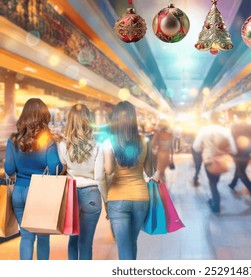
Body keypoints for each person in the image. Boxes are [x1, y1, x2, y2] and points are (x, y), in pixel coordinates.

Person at [4, 98, 63, 260]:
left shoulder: (13, 139)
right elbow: (54, 168)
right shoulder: (47, 140)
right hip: (39, 194)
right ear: (44, 116)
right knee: (43, 238)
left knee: (26, 237)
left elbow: (9, 169)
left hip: (19, 194)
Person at [102, 101, 155, 260]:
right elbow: (149, 171)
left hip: (118, 199)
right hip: (141, 198)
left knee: (124, 247)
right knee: (132, 243)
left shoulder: (109, 142)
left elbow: (109, 170)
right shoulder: (144, 141)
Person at [57, 104, 104, 260]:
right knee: (86, 243)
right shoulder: (97, 145)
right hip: (92, 194)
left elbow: (62, 167)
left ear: (69, 120)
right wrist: (107, 201)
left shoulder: (62, 145)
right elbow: (98, 176)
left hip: (71, 194)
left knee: (73, 240)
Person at [192, 113, 237, 213]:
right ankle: (214, 200)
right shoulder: (225, 131)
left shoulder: (204, 130)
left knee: (212, 182)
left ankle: (216, 204)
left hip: (209, 159)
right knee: (215, 181)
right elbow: (233, 150)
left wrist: (204, 148)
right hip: (221, 161)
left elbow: (196, 146)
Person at [228, 121, 251, 202]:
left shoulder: (234, 132)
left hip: (238, 155)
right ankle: (232, 184)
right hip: (247, 155)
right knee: (240, 170)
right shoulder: (250, 132)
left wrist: (230, 153)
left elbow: (231, 143)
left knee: (241, 174)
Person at [150, 119, 173, 183]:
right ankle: (163, 182)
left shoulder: (158, 134)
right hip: (167, 154)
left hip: (160, 154)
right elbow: (171, 147)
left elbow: (152, 144)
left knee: (160, 172)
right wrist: (171, 158)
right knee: (162, 171)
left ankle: (161, 188)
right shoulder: (170, 134)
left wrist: (154, 148)